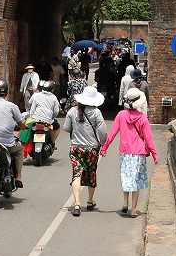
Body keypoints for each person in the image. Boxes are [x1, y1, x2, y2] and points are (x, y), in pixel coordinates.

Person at [100, 87, 159, 217]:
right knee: (136, 181)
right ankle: (133, 209)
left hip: (125, 152)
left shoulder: (121, 115)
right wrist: (153, 153)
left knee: (126, 177)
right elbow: (148, 138)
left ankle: (125, 203)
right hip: (138, 152)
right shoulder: (142, 118)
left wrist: (104, 148)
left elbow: (112, 133)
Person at [64, 85, 106, 217]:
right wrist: (103, 143)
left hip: (76, 147)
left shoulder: (72, 111)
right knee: (91, 173)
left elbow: (66, 128)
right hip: (92, 149)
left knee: (77, 173)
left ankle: (77, 203)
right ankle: (89, 200)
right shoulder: (96, 112)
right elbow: (102, 131)